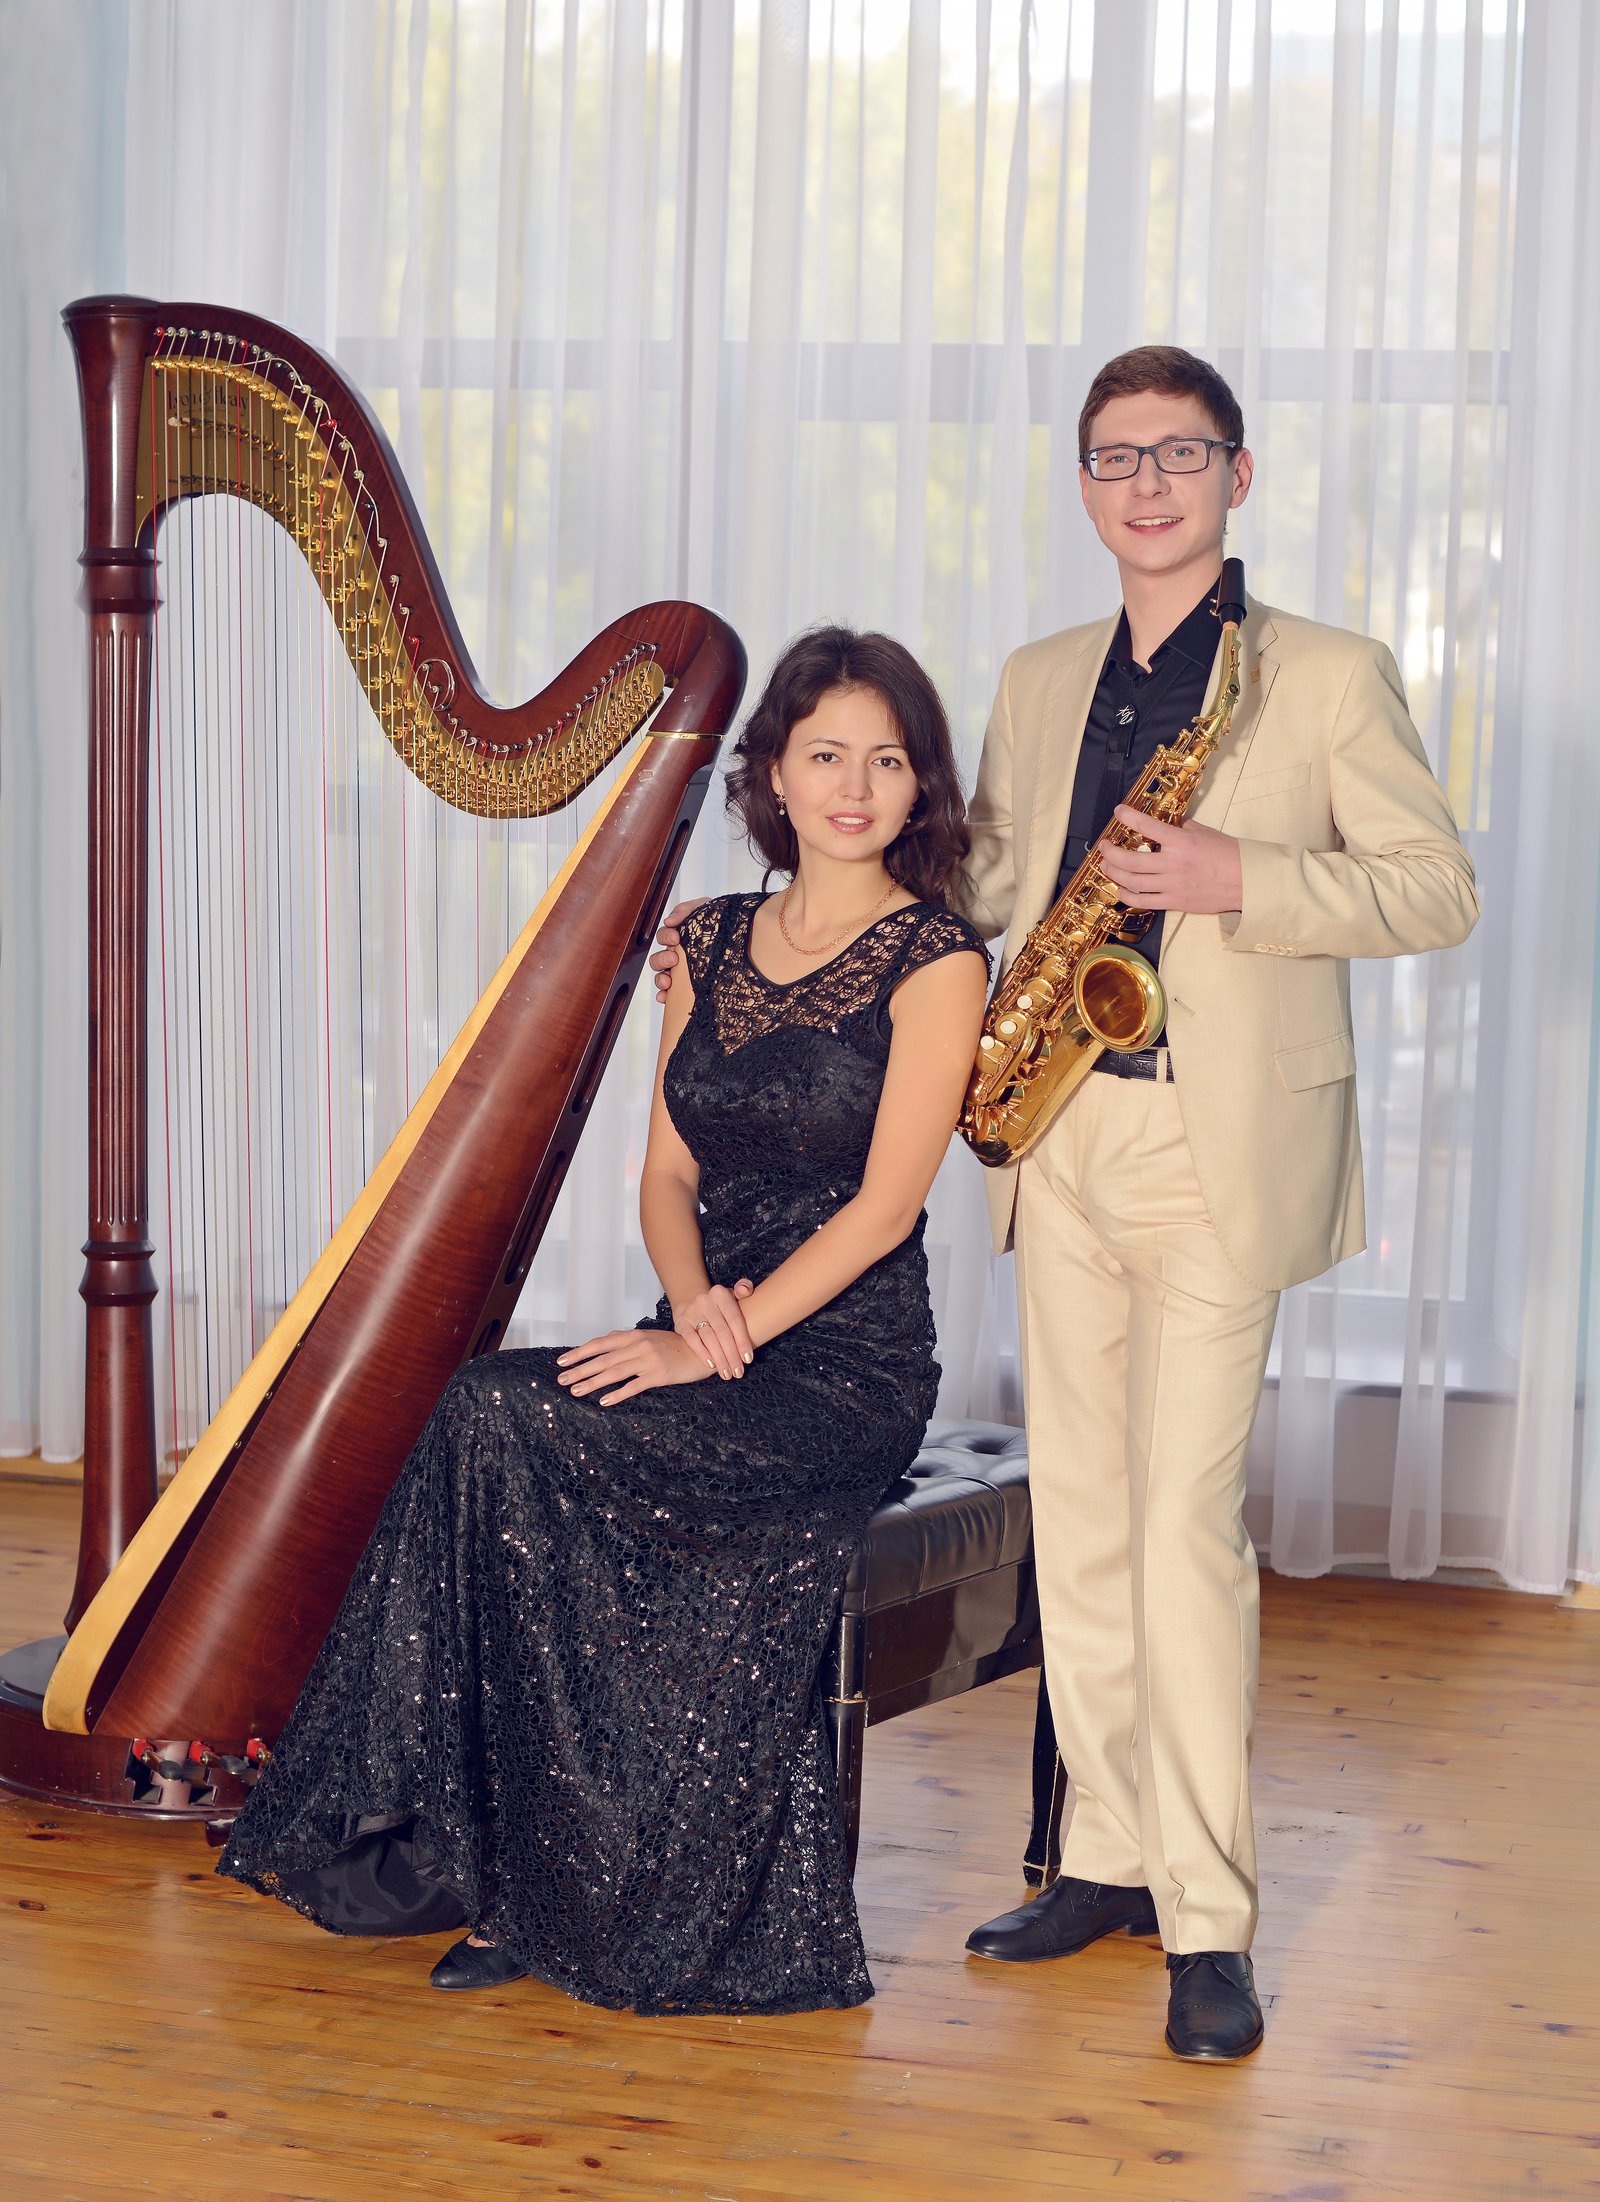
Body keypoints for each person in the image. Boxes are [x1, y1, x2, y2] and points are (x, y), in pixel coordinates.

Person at [653, 347, 1479, 2058]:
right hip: (1058, 1129)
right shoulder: (1039, 676)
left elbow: (1436, 886)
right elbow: (972, 885)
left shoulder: (1328, 673)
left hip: (1218, 1141)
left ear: (1239, 473)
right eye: (1117, 456)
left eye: (1181, 452)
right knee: (1086, 1517)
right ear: (1085, 483)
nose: (1149, 483)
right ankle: (1103, 1854)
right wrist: (758, 948)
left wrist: (1240, 873)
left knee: (1184, 1528)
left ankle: (1211, 1915)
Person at [217, 626, 989, 2017]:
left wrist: (712, 1339)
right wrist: (689, 1304)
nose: (855, 787)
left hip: (843, 1368)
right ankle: (500, 1862)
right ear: (774, 773)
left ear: (920, 784)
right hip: (707, 1323)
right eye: (826, 755)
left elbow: (883, 1212)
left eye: (887, 761)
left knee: (507, 1416)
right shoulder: (706, 940)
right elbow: (665, 1174)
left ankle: (519, 1875)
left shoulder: (938, 959)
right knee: (492, 1416)